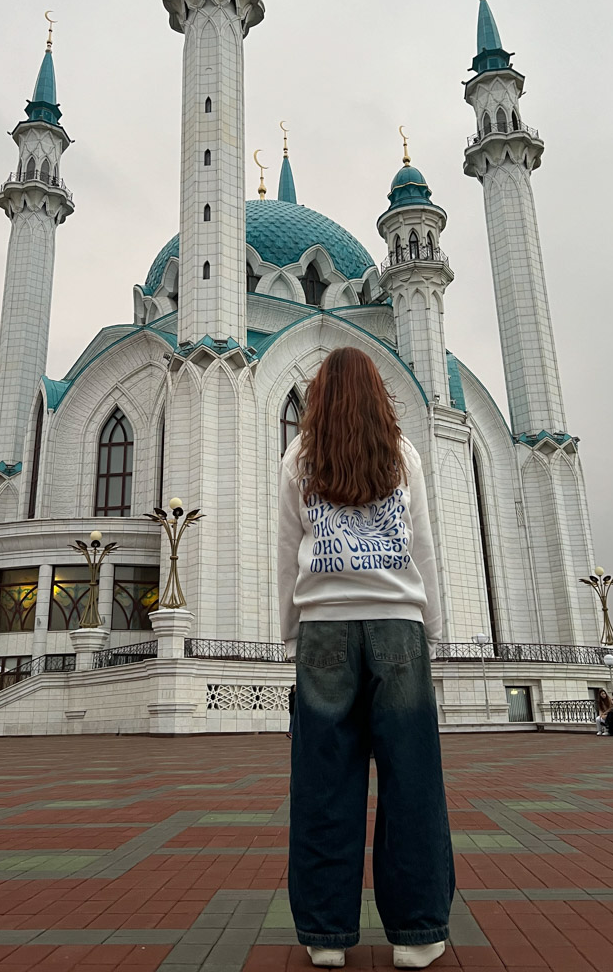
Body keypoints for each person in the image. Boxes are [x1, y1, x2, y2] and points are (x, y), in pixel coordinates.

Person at [277, 347, 453, 970]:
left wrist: (290, 632)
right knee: (412, 781)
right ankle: (417, 932)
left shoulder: (299, 458)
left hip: (324, 630)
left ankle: (326, 935)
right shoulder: (403, 455)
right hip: (398, 628)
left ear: (318, 397)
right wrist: (431, 628)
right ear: (380, 395)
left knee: (325, 783)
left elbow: (287, 548)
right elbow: (424, 548)